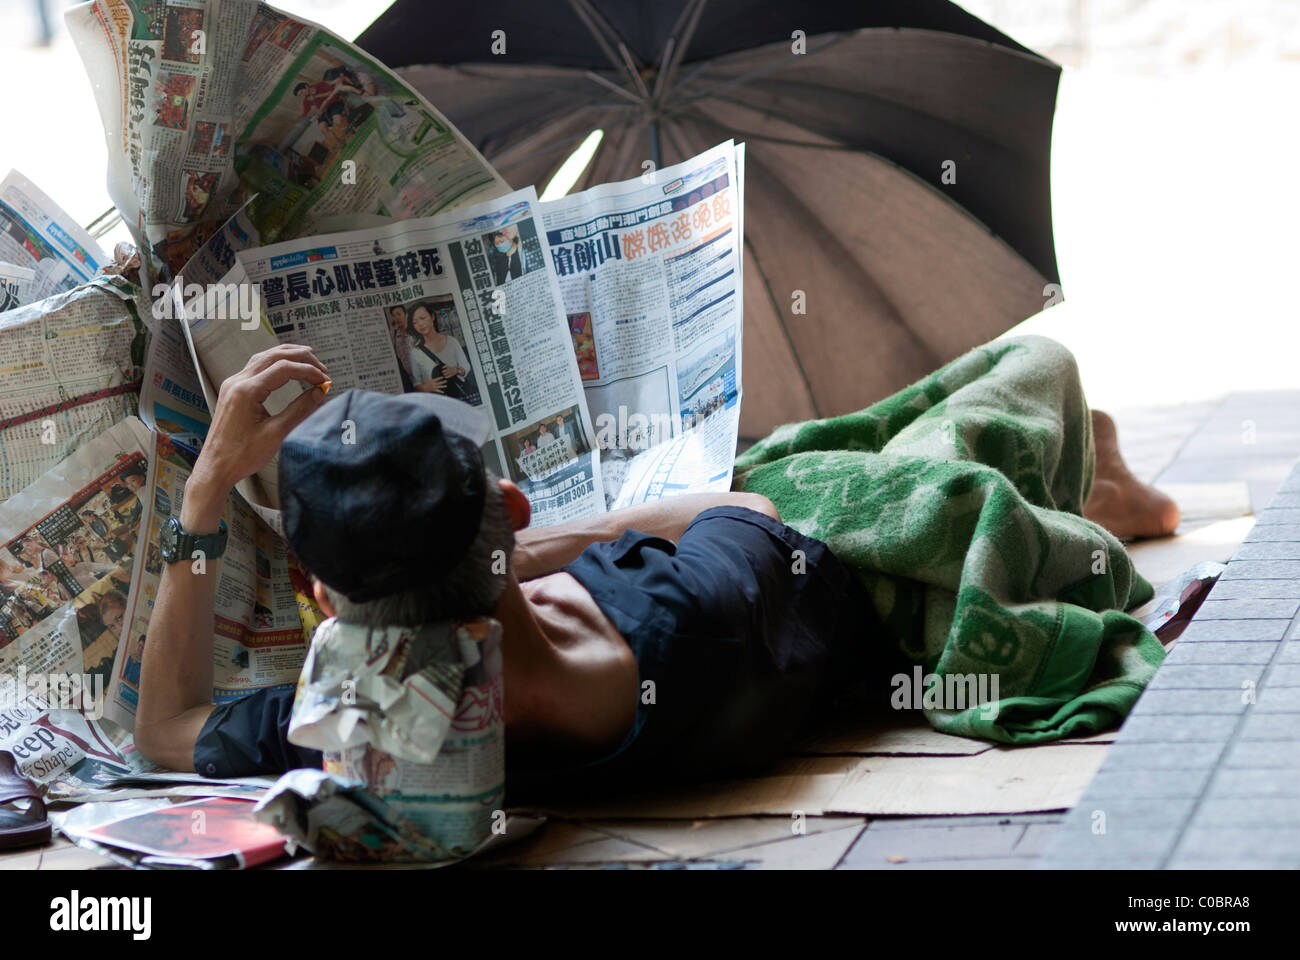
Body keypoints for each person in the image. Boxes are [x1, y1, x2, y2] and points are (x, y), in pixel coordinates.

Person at [130, 341, 1178, 794]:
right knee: (1023, 378)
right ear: (510, 509)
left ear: (323, 603)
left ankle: (1079, 478)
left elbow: (164, 730)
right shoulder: (690, 613)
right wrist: (543, 537)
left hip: (715, 586)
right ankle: (1095, 490)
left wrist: (203, 496)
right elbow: (744, 510)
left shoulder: (359, 726)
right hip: (819, 569)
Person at [406, 302, 473, 401]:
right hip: (437, 401)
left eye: (422, 318)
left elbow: (466, 367)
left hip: (459, 397)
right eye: (415, 322)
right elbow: (416, 383)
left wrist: (456, 370)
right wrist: (425, 388)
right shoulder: (415, 353)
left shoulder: (452, 341)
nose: (420, 324)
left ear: (432, 317)